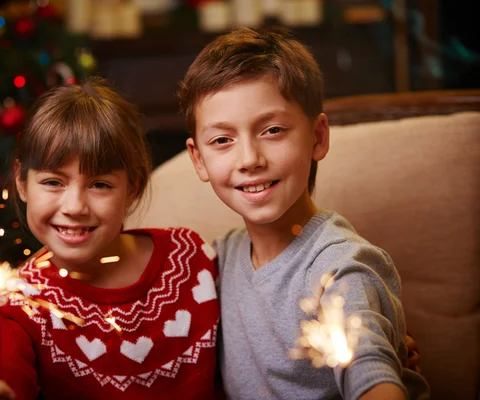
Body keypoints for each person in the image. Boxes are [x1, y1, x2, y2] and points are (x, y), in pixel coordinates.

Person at [178, 27, 429, 399]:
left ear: (318, 137)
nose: (249, 159)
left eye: (273, 130)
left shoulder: (341, 268)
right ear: (199, 159)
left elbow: (369, 370)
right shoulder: (221, 260)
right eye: (222, 140)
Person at [0, 79, 221, 400]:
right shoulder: (21, 300)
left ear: (133, 189)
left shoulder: (189, 257)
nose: (74, 207)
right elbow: (2, 371)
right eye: (53, 182)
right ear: (22, 183)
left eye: (99, 185)